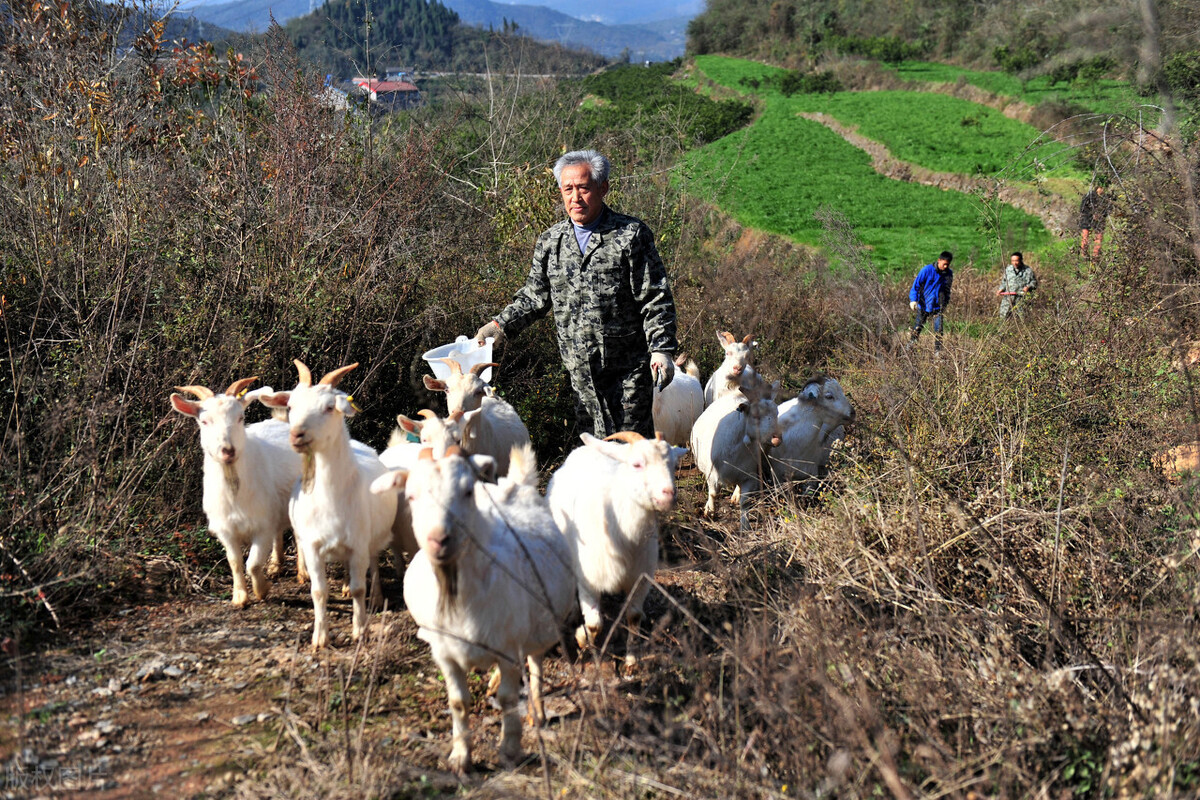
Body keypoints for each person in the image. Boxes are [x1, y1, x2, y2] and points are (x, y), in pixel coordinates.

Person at [474, 150, 678, 438]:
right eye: (568, 189)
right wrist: (499, 326)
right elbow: (535, 296)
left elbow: (654, 296)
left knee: (631, 456)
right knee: (592, 455)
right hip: (580, 374)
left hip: (627, 371)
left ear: (602, 187)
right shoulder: (551, 242)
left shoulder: (630, 235)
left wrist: (662, 348)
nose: (575, 198)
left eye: (583, 188)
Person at [908, 251, 954, 354]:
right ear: (939, 261)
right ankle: (910, 347)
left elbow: (947, 291)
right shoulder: (927, 270)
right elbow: (916, 286)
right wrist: (913, 300)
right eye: (944, 264)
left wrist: (945, 303)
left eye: (948, 264)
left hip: (938, 308)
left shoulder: (948, 274)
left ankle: (937, 353)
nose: (946, 266)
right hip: (924, 305)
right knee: (917, 328)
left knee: (939, 331)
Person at [997, 251, 1037, 319]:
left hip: (1021, 297)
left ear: (1021, 260)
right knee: (1003, 316)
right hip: (1008, 297)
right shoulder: (1008, 269)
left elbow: (1034, 282)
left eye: (1016, 261)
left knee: (1023, 317)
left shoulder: (1028, 270)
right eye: (1012, 261)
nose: (1014, 263)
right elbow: (1004, 282)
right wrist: (1000, 289)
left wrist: (1028, 287)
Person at [1079, 184, 1110, 258]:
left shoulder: (1106, 198)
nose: (1102, 190)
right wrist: (1092, 214)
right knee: (1085, 236)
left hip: (1100, 219)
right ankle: (1084, 254)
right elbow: (1082, 208)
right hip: (1087, 217)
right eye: (1101, 188)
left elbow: (1108, 209)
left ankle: (1095, 256)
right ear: (1097, 187)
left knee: (1099, 237)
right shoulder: (1089, 196)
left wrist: (1101, 215)